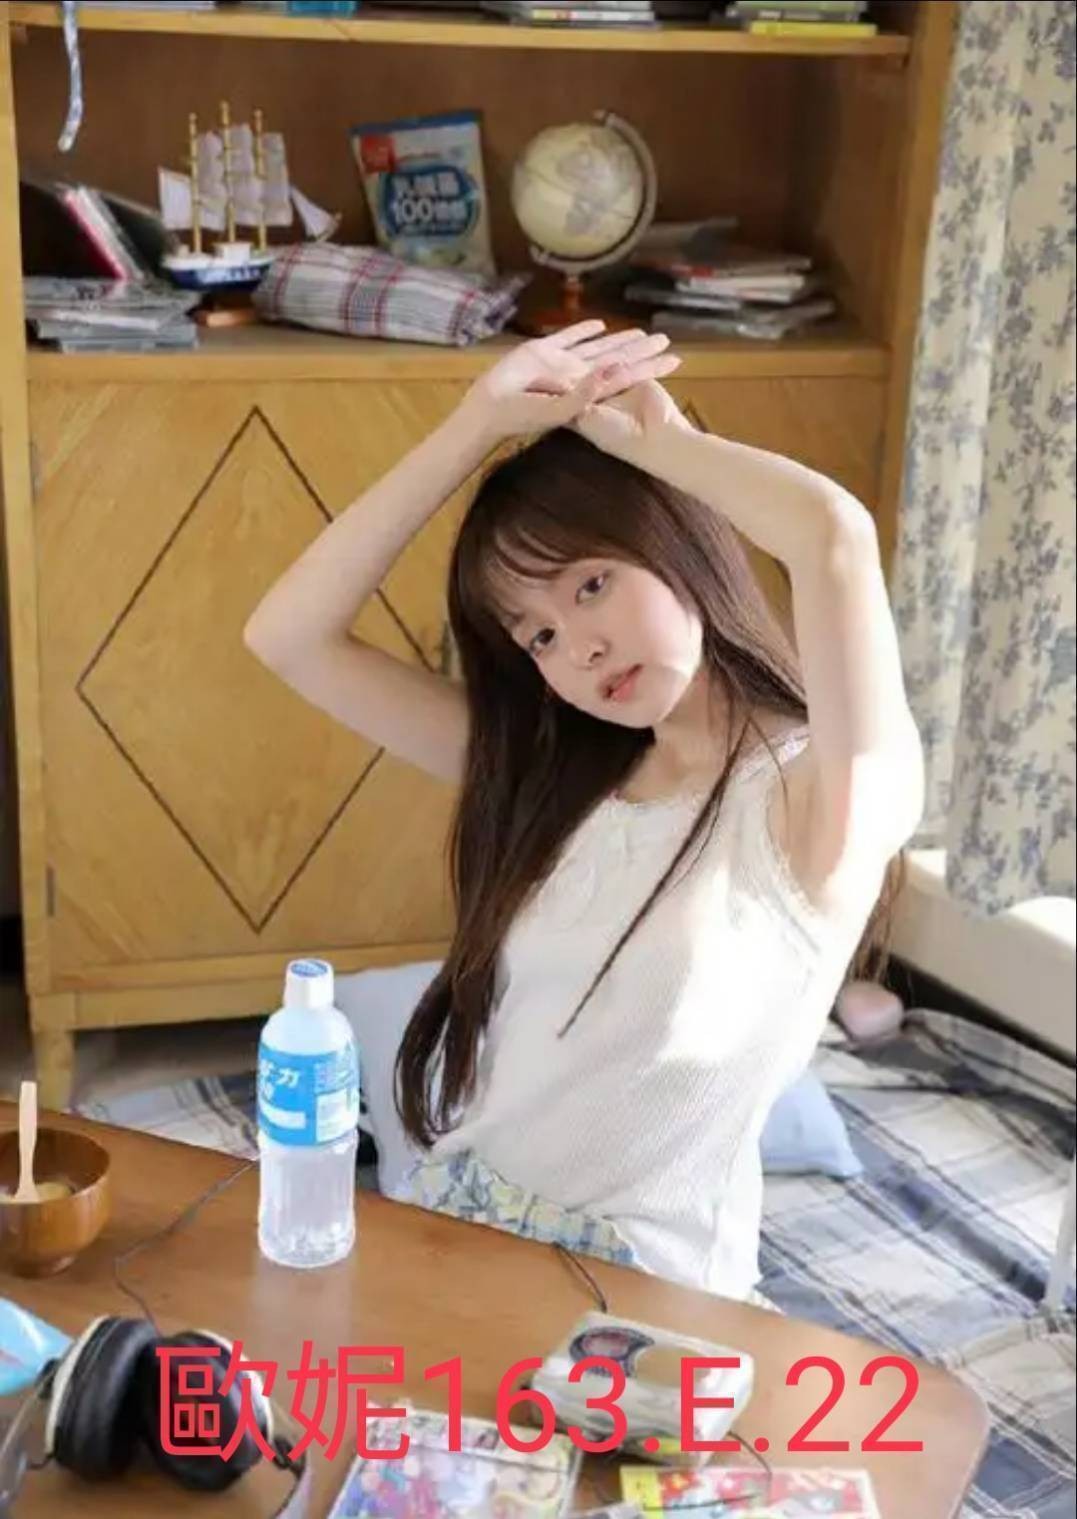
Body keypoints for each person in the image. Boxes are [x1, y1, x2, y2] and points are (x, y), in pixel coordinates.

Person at [244, 320, 923, 1302]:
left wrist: (668, 450)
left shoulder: (820, 798)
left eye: (593, 584)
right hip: (458, 1227)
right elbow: (287, 637)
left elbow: (834, 539)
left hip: (638, 1296)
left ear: (676, 542)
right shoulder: (559, 778)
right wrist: (474, 425)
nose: (581, 649)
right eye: (540, 636)